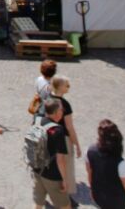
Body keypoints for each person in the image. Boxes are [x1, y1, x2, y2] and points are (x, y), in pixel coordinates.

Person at [85, 119, 125, 209]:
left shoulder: (89, 151)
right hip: (116, 201)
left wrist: (92, 189)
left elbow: (90, 172)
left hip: (99, 195)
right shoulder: (121, 164)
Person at [31, 98, 70, 209]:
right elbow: (60, 160)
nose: (63, 111)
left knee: (38, 204)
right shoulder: (58, 130)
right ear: (56, 112)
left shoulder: (37, 121)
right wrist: (65, 180)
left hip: (37, 169)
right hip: (52, 175)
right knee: (65, 206)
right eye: (62, 110)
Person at [49, 76, 82, 204]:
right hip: (62, 139)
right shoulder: (64, 104)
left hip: (49, 137)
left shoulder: (48, 99)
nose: (68, 86)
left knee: (53, 166)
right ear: (60, 87)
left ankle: (51, 192)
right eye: (66, 84)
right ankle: (65, 198)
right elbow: (69, 127)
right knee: (66, 168)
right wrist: (77, 144)